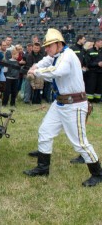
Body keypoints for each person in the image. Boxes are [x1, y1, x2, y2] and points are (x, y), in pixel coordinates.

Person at [24, 28, 102, 187]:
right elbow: (45, 61)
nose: (46, 49)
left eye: (49, 46)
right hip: (59, 103)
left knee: (79, 142)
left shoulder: (68, 56)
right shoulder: (56, 54)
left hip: (74, 104)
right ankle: (42, 168)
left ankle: (98, 174)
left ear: (59, 44)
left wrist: (36, 72)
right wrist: (34, 67)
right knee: (45, 131)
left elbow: (58, 71)